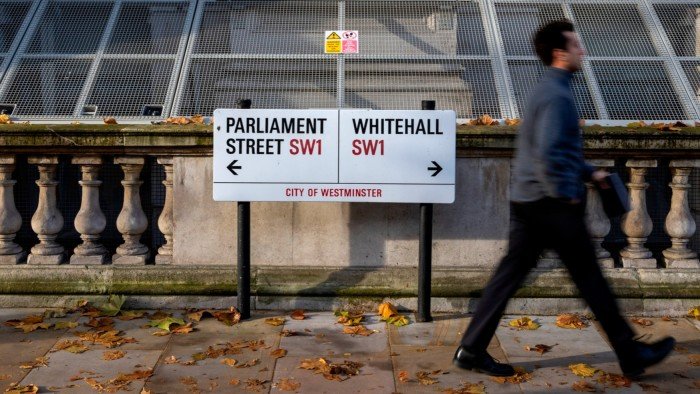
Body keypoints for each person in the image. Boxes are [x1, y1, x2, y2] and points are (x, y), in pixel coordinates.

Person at [452, 20, 675, 378]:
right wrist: (567, 195)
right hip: (550, 206)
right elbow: (550, 153)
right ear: (560, 52)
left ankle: (471, 349)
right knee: (590, 279)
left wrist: (591, 173)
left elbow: (555, 149)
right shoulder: (557, 95)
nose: (581, 51)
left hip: (530, 202)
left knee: (509, 279)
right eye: (576, 45)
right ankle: (630, 354)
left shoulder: (546, 89)